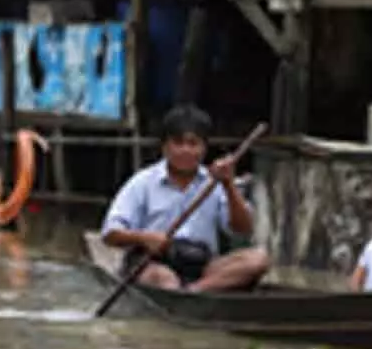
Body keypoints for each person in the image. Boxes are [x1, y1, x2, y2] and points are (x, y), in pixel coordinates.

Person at [101, 104, 269, 292]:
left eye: (193, 143)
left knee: (257, 259)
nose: (185, 150)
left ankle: (194, 291)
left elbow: (243, 229)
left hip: (202, 266)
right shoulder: (143, 182)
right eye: (178, 143)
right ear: (165, 147)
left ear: (204, 148)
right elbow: (110, 234)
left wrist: (229, 186)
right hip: (154, 264)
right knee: (165, 280)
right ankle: (182, 292)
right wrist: (144, 238)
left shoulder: (216, 182)